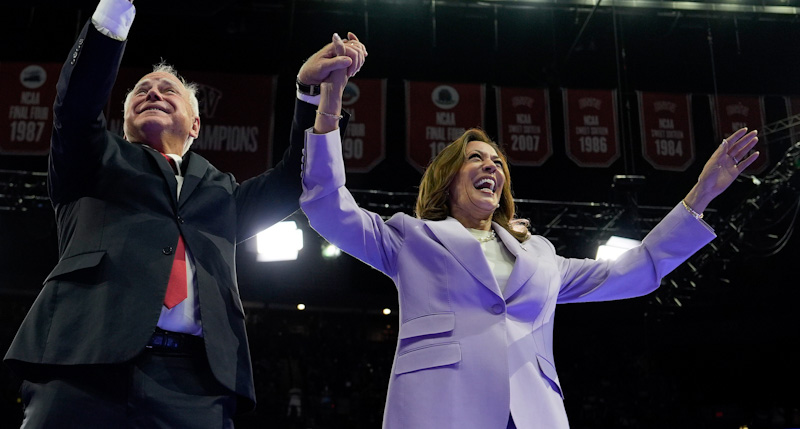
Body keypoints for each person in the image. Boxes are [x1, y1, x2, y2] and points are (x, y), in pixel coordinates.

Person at [3, 0, 366, 428]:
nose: (152, 92)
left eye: (168, 90)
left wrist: (308, 93)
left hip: (198, 386)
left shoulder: (222, 193)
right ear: (125, 117)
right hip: (83, 370)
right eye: (141, 91)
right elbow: (77, 103)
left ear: (196, 124)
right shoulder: (90, 160)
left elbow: (295, 179)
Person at [299, 68, 758, 428]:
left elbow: (638, 270)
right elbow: (326, 206)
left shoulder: (540, 256)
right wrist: (329, 107)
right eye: (475, 158)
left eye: (497, 162)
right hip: (441, 410)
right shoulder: (411, 239)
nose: (491, 166)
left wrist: (699, 197)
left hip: (533, 415)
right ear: (447, 178)